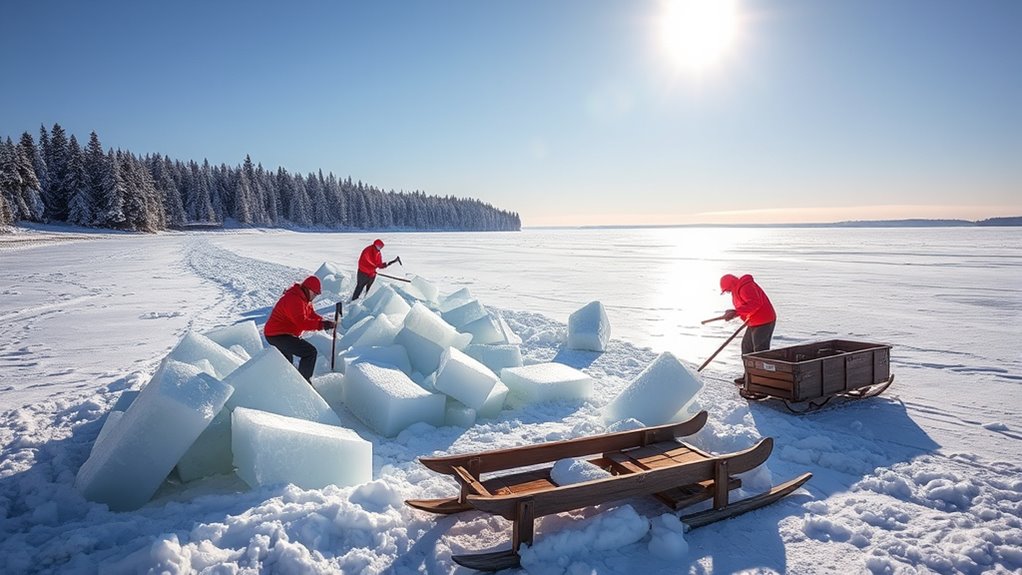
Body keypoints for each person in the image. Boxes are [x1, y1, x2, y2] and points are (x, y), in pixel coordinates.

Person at [264, 275, 335, 382]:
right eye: (315, 293)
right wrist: (322, 325)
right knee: (309, 352)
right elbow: (302, 323)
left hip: (284, 333)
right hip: (276, 334)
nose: (315, 296)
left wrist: (324, 321)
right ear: (307, 288)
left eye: (317, 294)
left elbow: (311, 315)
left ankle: (283, 382)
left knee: (287, 361)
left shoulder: (304, 299)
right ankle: (303, 384)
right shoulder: (293, 299)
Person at [720, 273, 777, 384]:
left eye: (727, 290)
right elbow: (745, 307)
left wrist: (736, 312)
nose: (728, 292)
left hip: (764, 320)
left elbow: (755, 303)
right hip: (753, 322)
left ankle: (762, 381)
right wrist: (734, 313)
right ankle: (749, 377)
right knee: (747, 349)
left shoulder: (745, 286)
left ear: (731, 284)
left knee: (760, 352)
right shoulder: (737, 290)